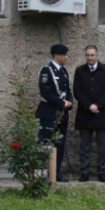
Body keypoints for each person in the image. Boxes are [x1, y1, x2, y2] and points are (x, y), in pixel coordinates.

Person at [73, 45, 105, 182]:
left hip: (102, 114)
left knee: (102, 146)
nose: (90, 58)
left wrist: (98, 105)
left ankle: (102, 172)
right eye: (88, 55)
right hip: (85, 113)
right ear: (85, 56)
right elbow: (77, 91)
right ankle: (84, 172)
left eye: (92, 55)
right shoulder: (79, 71)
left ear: (97, 55)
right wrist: (89, 105)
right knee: (85, 146)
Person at [37, 43, 74, 182]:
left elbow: (67, 90)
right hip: (49, 113)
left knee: (59, 144)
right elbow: (45, 91)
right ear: (57, 55)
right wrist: (61, 103)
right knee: (44, 143)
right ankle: (39, 174)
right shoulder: (46, 70)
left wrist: (69, 102)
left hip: (62, 114)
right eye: (64, 55)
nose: (66, 57)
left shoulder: (63, 71)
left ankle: (56, 173)